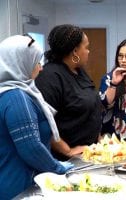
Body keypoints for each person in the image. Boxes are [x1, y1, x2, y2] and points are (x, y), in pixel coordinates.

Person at [0, 35, 73, 200]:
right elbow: (30, 148)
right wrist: (58, 168)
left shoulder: (8, 92)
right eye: (36, 62)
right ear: (21, 62)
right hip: (19, 189)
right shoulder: (16, 97)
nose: (40, 68)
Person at [35, 24, 103, 161]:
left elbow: (91, 106)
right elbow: (43, 122)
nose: (88, 51)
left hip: (89, 153)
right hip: (66, 159)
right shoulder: (50, 77)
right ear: (75, 52)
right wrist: (68, 151)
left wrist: (99, 138)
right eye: (86, 47)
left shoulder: (79, 71)